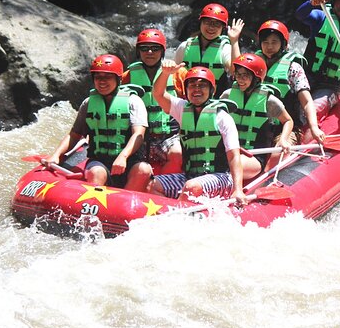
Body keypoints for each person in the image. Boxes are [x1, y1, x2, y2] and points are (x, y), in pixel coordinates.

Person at [47, 54, 152, 191]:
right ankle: (93, 206)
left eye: (107, 77)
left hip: (129, 160)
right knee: (96, 172)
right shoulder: (88, 103)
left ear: (118, 79)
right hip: (100, 161)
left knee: (143, 169)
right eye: (98, 77)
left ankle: (126, 206)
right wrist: (56, 155)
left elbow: (138, 134)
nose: (102, 81)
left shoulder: (133, 101)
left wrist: (123, 157)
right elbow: (74, 135)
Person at [148, 63, 247, 205]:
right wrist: (165, 73)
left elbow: (233, 156)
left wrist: (238, 189)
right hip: (191, 176)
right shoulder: (182, 109)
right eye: (192, 86)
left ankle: (176, 216)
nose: (196, 90)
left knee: (191, 187)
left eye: (202, 86)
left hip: (221, 178)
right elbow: (158, 94)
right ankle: (178, 210)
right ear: (186, 90)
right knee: (151, 184)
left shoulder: (222, 117)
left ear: (211, 90)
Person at [229, 18, 325, 145]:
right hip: (256, 126)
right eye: (265, 42)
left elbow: (307, 102)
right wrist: (234, 41)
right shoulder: (253, 65)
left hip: (286, 126)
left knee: (278, 153)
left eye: (274, 42)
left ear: (283, 44)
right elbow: (237, 70)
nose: (269, 46)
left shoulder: (293, 68)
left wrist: (313, 127)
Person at [220, 53, 294, 179]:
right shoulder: (227, 96)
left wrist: (283, 139)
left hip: (253, 156)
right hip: (230, 150)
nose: (240, 79)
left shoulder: (269, 101)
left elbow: (288, 120)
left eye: (246, 75)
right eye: (238, 74)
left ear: (256, 78)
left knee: (234, 163)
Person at [122, 28, 182, 174]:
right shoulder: (127, 76)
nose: (150, 52)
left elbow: (194, 104)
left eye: (155, 48)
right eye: (145, 48)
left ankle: (162, 186)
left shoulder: (178, 74)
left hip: (168, 136)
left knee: (177, 154)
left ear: (162, 51)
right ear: (138, 52)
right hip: (139, 137)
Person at [173, 3, 233, 95]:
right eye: (207, 22)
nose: (211, 27)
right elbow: (174, 74)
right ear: (200, 22)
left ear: (223, 27)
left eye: (216, 24)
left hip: (215, 102)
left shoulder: (225, 48)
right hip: (188, 100)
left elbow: (235, 71)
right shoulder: (185, 46)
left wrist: (235, 41)